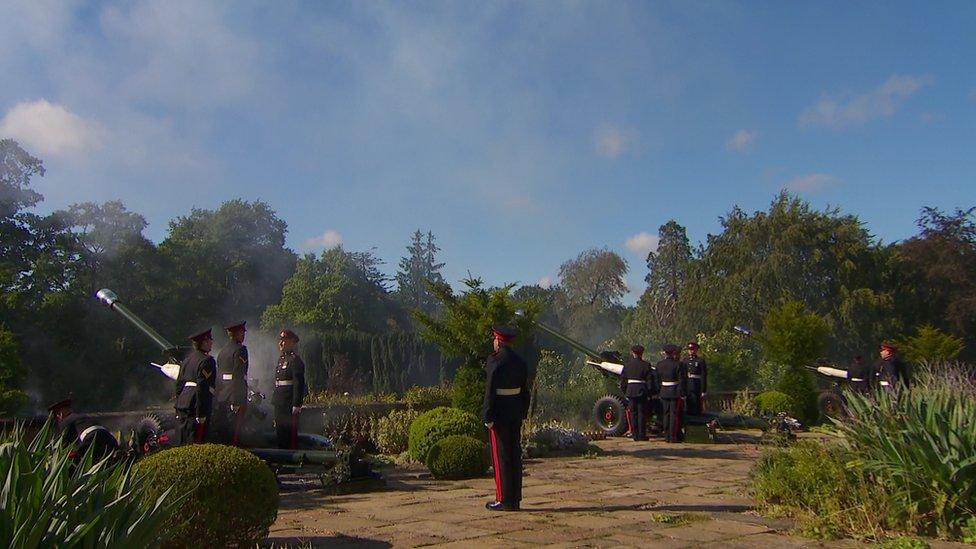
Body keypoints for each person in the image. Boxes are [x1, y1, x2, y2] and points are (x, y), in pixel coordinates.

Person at [483, 325, 530, 512]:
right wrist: (523, 411)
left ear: (498, 341)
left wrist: (487, 414)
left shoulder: (495, 361)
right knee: (514, 455)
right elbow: (525, 391)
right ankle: (515, 499)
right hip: (515, 411)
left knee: (501, 456)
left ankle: (503, 499)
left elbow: (490, 390)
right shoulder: (520, 361)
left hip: (500, 413)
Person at [175, 328, 216, 444]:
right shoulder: (207, 361)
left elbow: (179, 385)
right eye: (210, 340)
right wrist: (201, 412)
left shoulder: (187, 360)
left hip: (183, 405)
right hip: (195, 406)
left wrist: (177, 405)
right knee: (197, 442)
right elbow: (202, 388)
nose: (212, 342)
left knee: (183, 440)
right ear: (204, 342)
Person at [48, 398, 119, 461]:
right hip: (109, 438)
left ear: (60, 414)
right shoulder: (83, 417)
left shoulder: (66, 421)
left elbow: (63, 444)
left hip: (91, 439)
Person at [215, 321, 249, 445]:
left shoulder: (222, 352)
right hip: (234, 394)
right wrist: (236, 399)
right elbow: (238, 375)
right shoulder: (240, 350)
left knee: (224, 431)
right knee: (235, 432)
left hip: (222, 394)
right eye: (242, 332)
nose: (244, 335)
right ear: (237, 334)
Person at [273, 329, 306, 450]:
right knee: (280, 432)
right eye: (280, 340)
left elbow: (298, 383)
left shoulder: (295, 360)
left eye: (284, 340)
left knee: (289, 434)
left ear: (292, 343)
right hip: (279, 401)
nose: (281, 343)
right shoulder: (281, 360)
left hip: (288, 402)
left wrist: (297, 404)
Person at [619, 344, 653, 441]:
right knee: (642, 413)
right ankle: (641, 435)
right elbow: (649, 381)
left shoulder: (627, 365)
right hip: (642, 391)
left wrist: (625, 391)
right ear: (641, 353)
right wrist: (649, 392)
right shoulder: (646, 365)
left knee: (633, 414)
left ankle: (634, 434)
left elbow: (623, 381)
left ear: (633, 353)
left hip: (631, 391)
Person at [656, 344, 686, 443]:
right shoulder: (678, 364)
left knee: (665, 414)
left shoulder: (660, 364)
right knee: (674, 415)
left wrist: (659, 391)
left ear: (665, 353)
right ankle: (673, 436)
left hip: (664, 391)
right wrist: (682, 393)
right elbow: (682, 381)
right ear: (673, 353)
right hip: (674, 391)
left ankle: (666, 436)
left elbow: (657, 380)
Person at [684, 342, 707, 416]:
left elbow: (703, 375)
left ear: (696, 350)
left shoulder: (700, 361)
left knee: (697, 404)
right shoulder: (685, 360)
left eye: (693, 349)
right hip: (688, 384)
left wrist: (703, 390)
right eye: (690, 349)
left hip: (697, 385)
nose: (691, 351)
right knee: (689, 403)